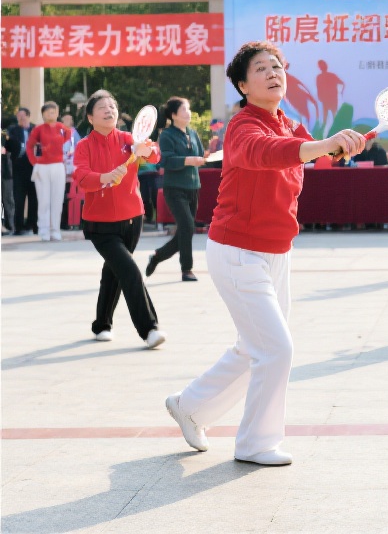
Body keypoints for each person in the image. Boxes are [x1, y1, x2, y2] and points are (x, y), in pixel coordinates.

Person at [165, 41, 364, 467]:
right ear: (243, 84)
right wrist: (324, 144)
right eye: (261, 68)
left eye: (277, 66)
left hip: (277, 251)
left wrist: (346, 144)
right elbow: (270, 154)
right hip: (237, 251)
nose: (274, 72)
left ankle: (189, 405)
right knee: (276, 349)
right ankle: (256, 442)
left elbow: (317, 155)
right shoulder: (242, 127)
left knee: (253, 346)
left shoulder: (288, 123)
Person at [73, 94, 164, 348]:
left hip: (132, 218)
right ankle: (150, 329)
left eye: (112, 106)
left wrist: (147, 150)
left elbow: (154, 153)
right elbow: (81, 176)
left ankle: (102, 324)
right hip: (100, 225)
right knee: (129, 271)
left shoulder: (128, 140)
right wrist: (104, 176)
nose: (109, 110)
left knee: (114, 272)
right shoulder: (84, 146)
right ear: (90, 117)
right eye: (102, 108)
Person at [147, 97, 206, 282]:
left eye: (188, 109)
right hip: (174, 188)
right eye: (183, 110)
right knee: (187, 227)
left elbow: (200, 154)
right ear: (173, 115)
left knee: (186, 230)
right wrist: (188, 160)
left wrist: (206, 158)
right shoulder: (166, 135)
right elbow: (165, 160)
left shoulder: (193, 133)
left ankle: (158, 256)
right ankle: (186, 269)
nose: (188, 113)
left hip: (193, 186)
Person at [26, 101, 72, 241]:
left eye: (53, 111)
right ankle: (43, 230)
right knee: (44, 200)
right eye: (48, 112)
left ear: (57, 113)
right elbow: (30, 146)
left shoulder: (63, 129)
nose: (51, 114)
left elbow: (68, 142)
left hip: (58, 166)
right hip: (43, 167)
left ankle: (55, 230)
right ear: (43, 114)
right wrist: (35, 162)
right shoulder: (39, 129)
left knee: (57, 199)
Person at [5, 107, 38, 235]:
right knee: (18, 198)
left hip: (33, 167)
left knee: (34, 198)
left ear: (28, 116)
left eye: (23, 116)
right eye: (19, 117)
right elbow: (7, 145)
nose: (21, 119)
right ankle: (18, 227)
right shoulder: (12, 130)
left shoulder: (35, 129)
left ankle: (32, 225)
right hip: (18, 167)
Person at [59, 114, 81, 231]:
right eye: (65, 119)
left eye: (69, 119)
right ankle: (60, 221)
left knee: (69, 196)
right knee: (59, 196)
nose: (68, 121)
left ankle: (68, 222)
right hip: (59, 167)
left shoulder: (74, 132)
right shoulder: (58, 131)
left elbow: (79, 148)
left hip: (71, 169)